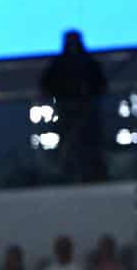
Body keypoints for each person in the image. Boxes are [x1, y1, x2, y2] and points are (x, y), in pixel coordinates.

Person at [39, 30, 106, 182]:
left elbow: (100, 83)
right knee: (70, 142)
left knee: (88, 142)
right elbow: (47, 83)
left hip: (87, 108)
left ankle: (92, 174)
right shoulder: (60, 63)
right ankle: (70, 174)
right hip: (67, 108)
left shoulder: (88, 63)